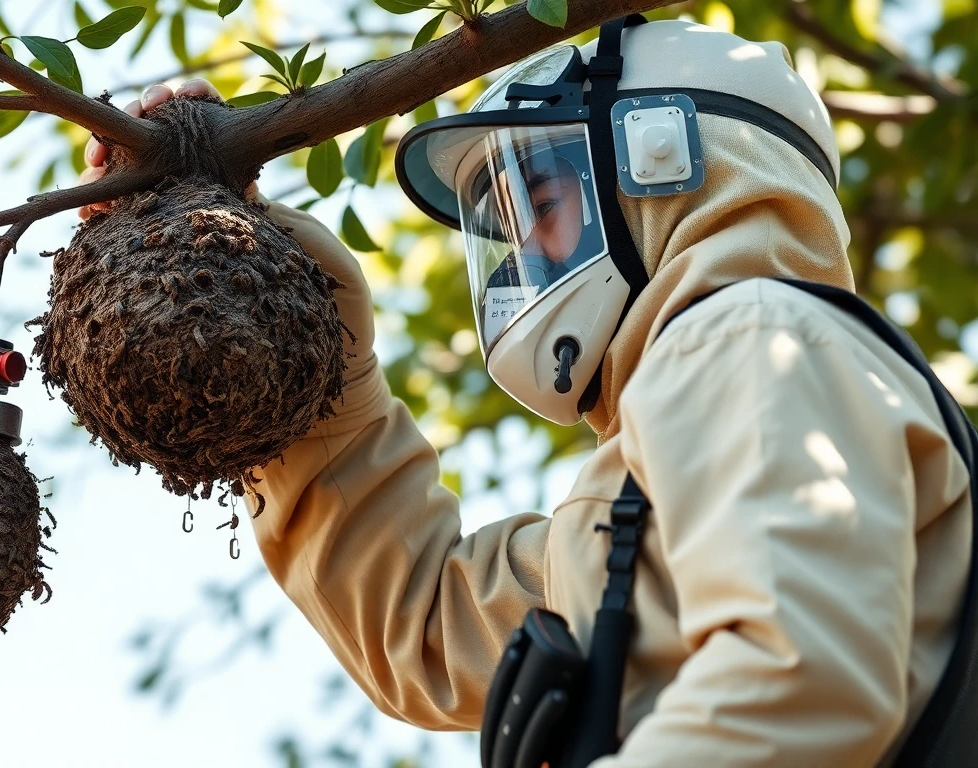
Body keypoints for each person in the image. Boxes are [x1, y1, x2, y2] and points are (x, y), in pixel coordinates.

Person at [83, 17, 973, 766]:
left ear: (659, 161)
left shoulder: (754, 339)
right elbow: (422, 623)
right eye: (498, 223)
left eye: (535, 202)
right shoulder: (630, 511)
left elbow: (799, 680)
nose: (515, 258)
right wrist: (280, 299)